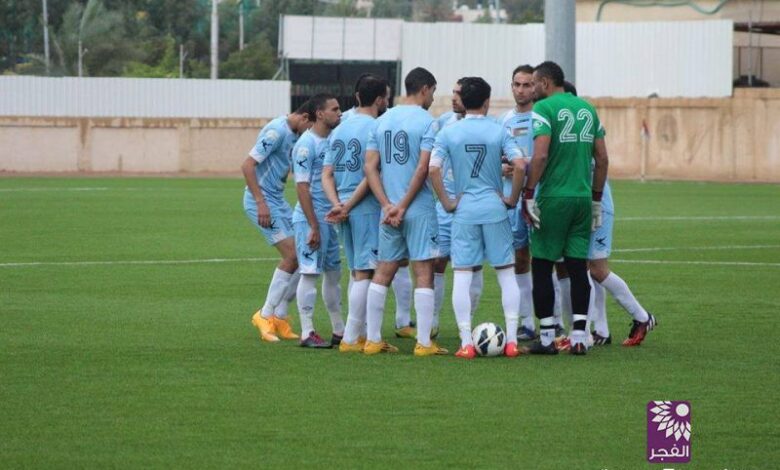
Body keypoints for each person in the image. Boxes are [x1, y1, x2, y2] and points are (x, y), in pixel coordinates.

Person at [430, 76, 526, 359]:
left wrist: (446, 202)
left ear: (463, 101)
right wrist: (512, 198)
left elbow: (433, 169)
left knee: (462, 274)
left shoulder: (449, 132)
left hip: (465, 210)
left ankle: (466, 343)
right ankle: (512, 342)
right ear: (487, 101)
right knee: (506, 273)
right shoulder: (498, 129)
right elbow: (520, 164)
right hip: (494, 208)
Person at [522, 61, 608, 355]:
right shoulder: (588, 109)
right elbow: (603, 159)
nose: (532, 89)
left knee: (542, 265)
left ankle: (547, 337)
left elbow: (540, 155)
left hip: (554, 197)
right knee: (577, 267)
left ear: (545, 83)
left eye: (534, 83)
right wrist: (596, 199)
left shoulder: (543, 108)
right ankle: (580, 337)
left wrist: (529, 193)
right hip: (582, 198)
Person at [363, 67, 447, 356]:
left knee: (383, 270)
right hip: (418, 208)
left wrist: (387, 204)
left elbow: (370, 167)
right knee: (423, 272)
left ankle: (373, 339)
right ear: (424, 89)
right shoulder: (428, 122)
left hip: (388, 211)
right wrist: (403, 205)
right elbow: (423, 168)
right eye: (433, 92)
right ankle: (424, 343)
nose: (432, 98)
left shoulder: (382, 120)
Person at [321, 74, 390, 352]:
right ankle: (353, 338)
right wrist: (348, 205)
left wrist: (337, 203)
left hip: (343, 208)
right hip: (364, 208)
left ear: (357, 96)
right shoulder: (378, 127)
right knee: (366, 272)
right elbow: (371, 173)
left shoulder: (340, 128)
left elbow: (326, 174)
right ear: (380, 99)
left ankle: (358, 334)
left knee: (357, 270)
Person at [242, 101, 313, 343]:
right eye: (310, 126)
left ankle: (280, 316)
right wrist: (260, 202)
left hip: (277, 201)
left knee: (303, 253)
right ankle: (264, 315)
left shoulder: (294, 133)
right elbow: (247, 165)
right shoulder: (276, 132)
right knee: (292, 255)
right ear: (305, 118)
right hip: (262, 201)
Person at [431, 79, 484, 339]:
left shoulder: (487, 126)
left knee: (473, 265)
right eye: (452, 92)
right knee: (437, 261)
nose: (454, 97)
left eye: (459, 93)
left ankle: (468, 321)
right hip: (445, 206)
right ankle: (432, 320)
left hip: (473, 206)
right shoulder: (443, 122)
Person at [291, 93, 345, 348]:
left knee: (334, 274)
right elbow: (302, 187)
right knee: (310, 273)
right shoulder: (306, 144)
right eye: (334, 109)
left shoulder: (334, 139)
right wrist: (313, 225)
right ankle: (307, 332)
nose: (339, 112)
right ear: (320, 113)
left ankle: (339, 329)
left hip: (329, 219)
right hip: (310, 219)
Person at [498, 64, 538, 340]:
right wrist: (502, 167)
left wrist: (524, 166)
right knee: (519, 258)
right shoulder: (504, 120)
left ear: (535, 87)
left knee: (546, 259)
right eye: (517, 84)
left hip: (538, 196)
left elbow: (548, 156)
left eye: (527, 84)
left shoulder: (541, 118)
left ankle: (554, 322)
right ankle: (526, 322)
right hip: (512, 199)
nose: (521, 90)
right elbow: (496, 155)